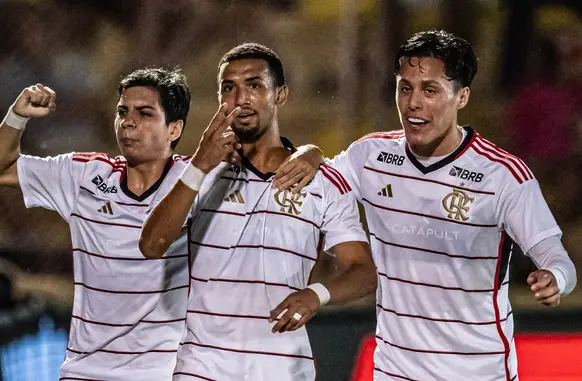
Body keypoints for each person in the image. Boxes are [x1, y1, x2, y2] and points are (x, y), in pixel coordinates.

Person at [273, 30, 577, 380]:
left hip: (477, 372)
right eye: (405, 88)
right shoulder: (369, 157)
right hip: (394, 371)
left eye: (430, 90)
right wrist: (309, 152)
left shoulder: (502, 175)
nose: (413, 103)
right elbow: (315, 180)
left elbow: (556, 257)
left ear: (462, 97)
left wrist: (554, 278)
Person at [139, 42, 378, 381]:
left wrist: (316, 294)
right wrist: (201, 165)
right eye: (229, 88)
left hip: (282, 366)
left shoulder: (323, 182)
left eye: (254, 85)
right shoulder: (194, 175)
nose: (241, 98)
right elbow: (151, 245)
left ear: (280, 94)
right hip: (203, 366)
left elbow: (363, 271)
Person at [0, 68, 193, 380]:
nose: (128, 121)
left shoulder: (201, 183)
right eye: (122, 111)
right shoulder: (85, 174)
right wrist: (16, 116)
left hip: (163, 372)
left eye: (144, 113)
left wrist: (304, 156)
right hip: (84, 372)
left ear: (173, 129)